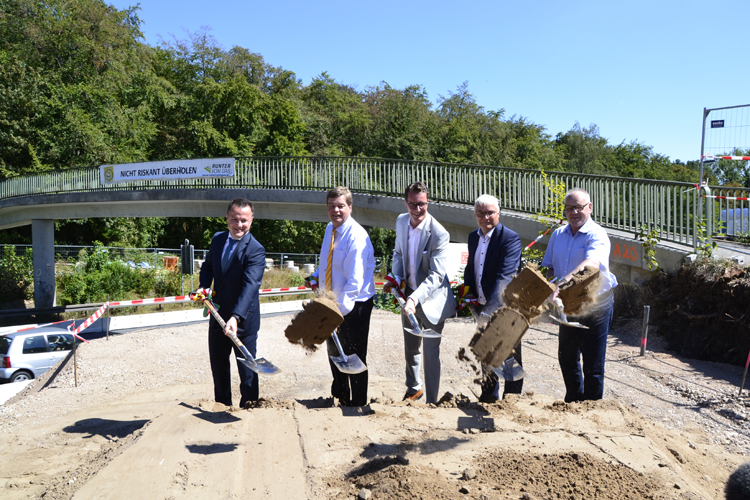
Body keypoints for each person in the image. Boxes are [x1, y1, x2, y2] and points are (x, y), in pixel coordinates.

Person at [541, 188, 618, 403]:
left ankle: (592, 408)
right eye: (569, 208)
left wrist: (563, 284)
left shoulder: (597, 235)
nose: (574, 212)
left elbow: (592, 264)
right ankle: (573, 401)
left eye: (579, 207)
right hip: (568, 305)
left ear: (590, 208)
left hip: (596, 304)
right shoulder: (558, 235)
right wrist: (550, 287)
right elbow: (550, 268)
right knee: (567, 356)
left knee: (593, 362)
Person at [383, 182, 456, 404]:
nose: (417, 209)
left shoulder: (439, 233)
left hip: (433, 300)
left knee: (430, 355)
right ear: (406, 203)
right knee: (411, 347)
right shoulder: (401, 221)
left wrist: (414, 299)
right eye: (413, 204)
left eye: (421, 204)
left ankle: (432, 401)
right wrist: (395, 278)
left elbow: (436, 275)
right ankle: (414, 389)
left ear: (428, 203)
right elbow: (397, 253)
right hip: (409, 296)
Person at [307, 187, 376, 407]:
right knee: (334, 350)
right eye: (331, 206)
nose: (335, 210)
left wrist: (336, 314)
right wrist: (316, 276)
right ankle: (341, 394)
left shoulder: (355, 236)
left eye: (340, 206)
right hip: (332, 300)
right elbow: (327, 260)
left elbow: (354, 283)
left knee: (353, 353)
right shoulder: (330, 229)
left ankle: (357, 402)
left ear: (350, 207)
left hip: (355, 304)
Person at [198, 198, 266, 408]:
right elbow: (208, 267)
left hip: (243, 320)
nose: (239, 225)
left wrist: (236, 317)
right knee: (218, 366)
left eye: (244, 220)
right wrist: (204, 287)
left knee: (247, 369)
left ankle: (249, 406)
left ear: (251, 220)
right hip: (217, 315)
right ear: (227, 217)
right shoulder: (218, 239)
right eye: (235, 219)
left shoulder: (255, 249)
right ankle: (222, 405)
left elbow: (250, 286)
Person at [463, 194, 523, 402]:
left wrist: (488, 313)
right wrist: (467, 297)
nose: (485, 217)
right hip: (482, 306)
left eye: (490, 213)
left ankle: (512, 400)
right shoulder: (473, 237)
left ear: (499, 213)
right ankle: (488, 397)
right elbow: (470, 270)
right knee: (486, 352)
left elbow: (504, 279)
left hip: (506, 309)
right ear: (475, 215)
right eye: (481, 213)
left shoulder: (510, 238)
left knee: (509, 354)